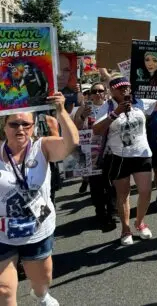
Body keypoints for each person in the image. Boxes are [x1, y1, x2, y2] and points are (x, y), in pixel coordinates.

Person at [0, 91, 78, 306]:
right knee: (4, 289)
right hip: (2, 233)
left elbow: (71, 144)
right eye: (14, 124)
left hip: (37, 228)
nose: (21, 129)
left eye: (27, 124)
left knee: (43, 280)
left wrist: (61, 111)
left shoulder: (42, 147)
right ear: (4, 126)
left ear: (34, 126)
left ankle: (41, 295)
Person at [93, 75, 156, 246]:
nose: (125, 90)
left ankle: (140, 222)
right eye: (120, 88)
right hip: (119, 156)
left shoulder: (141, 102)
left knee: (145, 191)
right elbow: (97, 130)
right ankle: (125, 229)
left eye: (127, 87)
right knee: (123, 194)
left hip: (142, 153)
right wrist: (115, 113)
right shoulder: (106, 107)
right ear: (112, 90)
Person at [73, 82, 117, 229]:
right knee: (96, 184)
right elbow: (75, 128)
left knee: (112, 182)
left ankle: (113, 211)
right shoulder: (84, 108)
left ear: (105, 92)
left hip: (110, 149)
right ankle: (100, 211)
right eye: (95, 91)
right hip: (91, 151)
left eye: (101, 91)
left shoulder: (111, 106)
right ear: (90, 94)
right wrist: (82, 116)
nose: (98, 93)